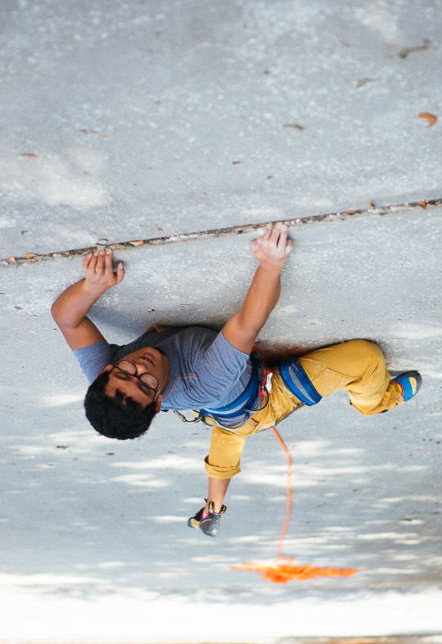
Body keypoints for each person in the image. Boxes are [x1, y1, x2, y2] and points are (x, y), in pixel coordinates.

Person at [51, 223, 421, 537]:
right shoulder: (206, 379)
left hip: (222, 414)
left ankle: (211, 512)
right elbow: (247, 324)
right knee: (366, 357)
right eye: (146, 384)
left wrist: (92, 287)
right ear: (159, 402)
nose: (141, 367)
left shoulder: (109, 382)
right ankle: (377, 403)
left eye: (126, 371)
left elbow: (66, 318)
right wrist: (271, 264)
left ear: (104, 372)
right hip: (261, 402)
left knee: (223, 457)